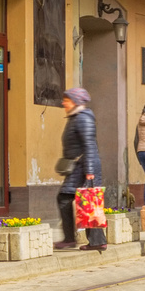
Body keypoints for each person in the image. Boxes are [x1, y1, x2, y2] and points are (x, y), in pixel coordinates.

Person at [54, 89, 107, 252]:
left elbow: (89, 145)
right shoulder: (75, 117)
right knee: (79, 200)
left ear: (76, 101)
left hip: (84, 167)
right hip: (79, 166)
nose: (64, 103)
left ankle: (92, 240)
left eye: (66, 100)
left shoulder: (83, 118)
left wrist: (89, 171)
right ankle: (73, 238)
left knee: (87, 201)